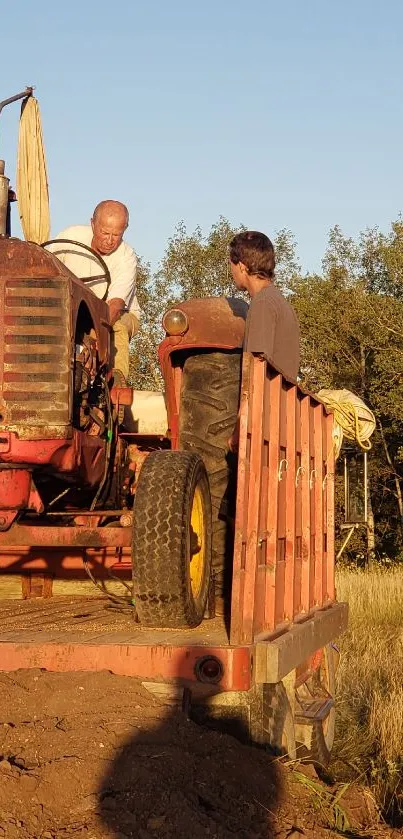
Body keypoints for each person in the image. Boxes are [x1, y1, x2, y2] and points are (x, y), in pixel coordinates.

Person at [49, 200, 141, 385]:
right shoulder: (70, 237)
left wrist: (94, 335)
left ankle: (116, 386)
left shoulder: (126, 257)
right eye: (104, 232)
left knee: (118, 327)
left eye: (116, 234)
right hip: (74, 310)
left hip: (116, 314)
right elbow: (48, 268)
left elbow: (115, 306)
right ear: (92, 224)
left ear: (125, 229)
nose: (109, 240)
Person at [227, 230, 300, 453]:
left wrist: (239, 428)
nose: (231, 271)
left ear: (241, 265)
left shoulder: (262, 305)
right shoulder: (278, 301)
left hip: (266, 424)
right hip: (281, 419)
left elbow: (256, 370)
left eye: (231, 264)